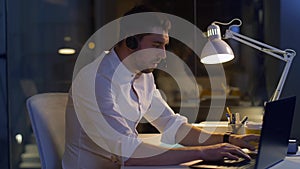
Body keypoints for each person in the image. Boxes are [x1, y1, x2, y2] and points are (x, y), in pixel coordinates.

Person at [62, 5, 259, 169]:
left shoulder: (143, 76)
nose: (164, 55)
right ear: (130, 40)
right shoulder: (96, 80)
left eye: (165, 45)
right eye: (157, 45)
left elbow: (172, 126)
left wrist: (228, 139)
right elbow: (129, 153)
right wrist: (203, 152)